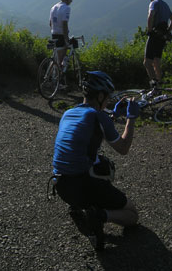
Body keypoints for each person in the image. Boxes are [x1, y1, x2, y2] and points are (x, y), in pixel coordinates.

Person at [51, 71, 140, 251]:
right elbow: (123, 148)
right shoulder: (99, 116)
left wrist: (111, 116)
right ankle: (100, 215)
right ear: (100, 96)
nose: (108, 101)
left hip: (62, 187)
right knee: (132, 215)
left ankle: (81, 207)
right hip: (83, 187)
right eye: (107, 97)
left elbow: (90, 128)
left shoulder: (68, 113)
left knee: (90, 160)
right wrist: (130, 119)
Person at [144, 0, 172, 86]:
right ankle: (160, 82)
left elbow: (151, 15)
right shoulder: (165, 5)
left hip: (155, 34)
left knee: (147, 62)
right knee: (156, 60)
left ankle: (154, 84)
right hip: (162, 36)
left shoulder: (154, 3)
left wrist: (150, 30)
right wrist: (168, 31)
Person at [49, 0, 74, 86]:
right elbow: (64, 24)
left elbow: (50, 23)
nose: (71, 1)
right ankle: (57, 82)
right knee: (60, 60)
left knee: (55, 59)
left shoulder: (53, 7)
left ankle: (50, 78)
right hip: (61, 35)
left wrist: (54, 31)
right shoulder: (66, 8)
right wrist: (66, 40)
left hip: (54, 34)